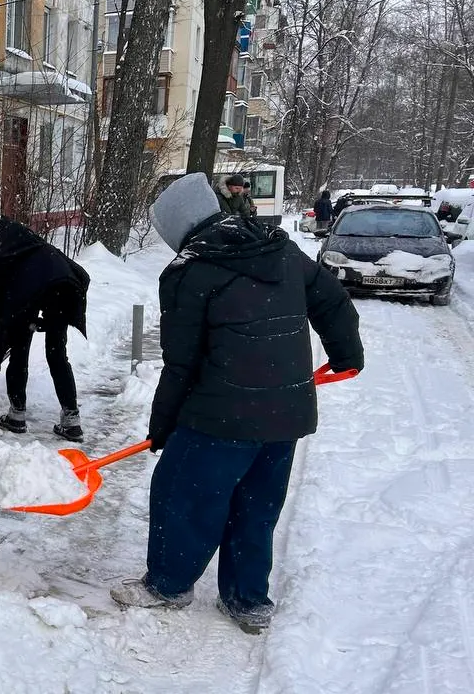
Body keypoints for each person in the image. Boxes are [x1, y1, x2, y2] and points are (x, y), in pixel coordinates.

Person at [109, 173, 363, 634]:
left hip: (219, 416)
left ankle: (167, 585)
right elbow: (334, 301)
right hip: (286, 415)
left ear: (179, 229)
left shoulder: (190, 271)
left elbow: (181, 364)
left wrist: (162, 425)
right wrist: (348, 353)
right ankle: (247, 600)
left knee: (181, 496)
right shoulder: (278, 249)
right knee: (257, 506)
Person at [0, 218, 90, 441]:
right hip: (66, 286)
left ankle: (17, 416)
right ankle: (72, 421)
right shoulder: (29, 245)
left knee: (19, 349)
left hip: (45, 290)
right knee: (57, 354)